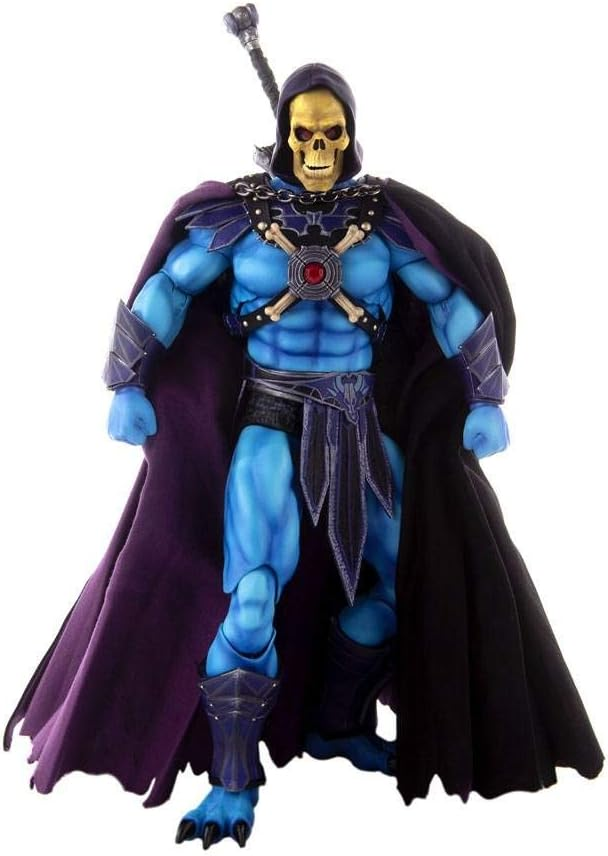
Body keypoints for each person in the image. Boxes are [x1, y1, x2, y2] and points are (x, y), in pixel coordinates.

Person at [5, 64, 602, 851]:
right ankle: (232, 782)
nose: (318, 149)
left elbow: (449, 303)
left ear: (350, 136)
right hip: (270, 419)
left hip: (359, 423)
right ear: (284, 136)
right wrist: (125, 379)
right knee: (252, 594)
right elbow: (170, 290)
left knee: (407, 585)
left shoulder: (382, 223)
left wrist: (487, 395)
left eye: (332, 133)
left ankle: (336, 723)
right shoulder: (239, 220)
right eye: (304, 133)